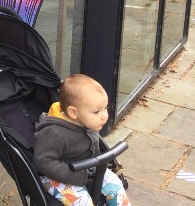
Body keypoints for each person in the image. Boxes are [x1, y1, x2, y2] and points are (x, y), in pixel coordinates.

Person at [33, 74, 131, 206]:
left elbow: (94, 147)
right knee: (82, 202)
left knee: (116, 188)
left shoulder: (86, 122)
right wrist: (79, 177)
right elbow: (43, 162)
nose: (104, 116)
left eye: (105, 108)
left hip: (89, 168)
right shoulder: (54, 133)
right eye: (96, 112)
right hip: (55, 177)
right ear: (74, 113)